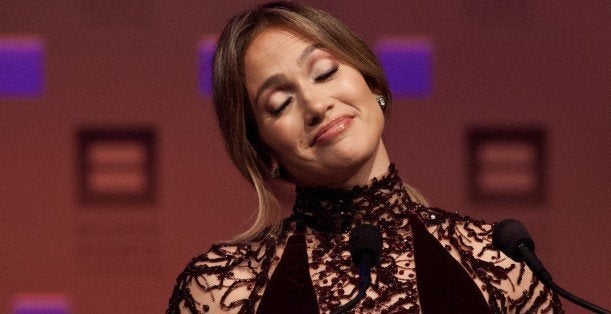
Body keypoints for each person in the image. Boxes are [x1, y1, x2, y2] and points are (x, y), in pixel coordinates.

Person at [167, 2, 563, 313]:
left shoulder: (499, 262)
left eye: (324, 72)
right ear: (264, 151)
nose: (317, 104)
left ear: (371, 82)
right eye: (280, 102)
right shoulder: (221, 290)